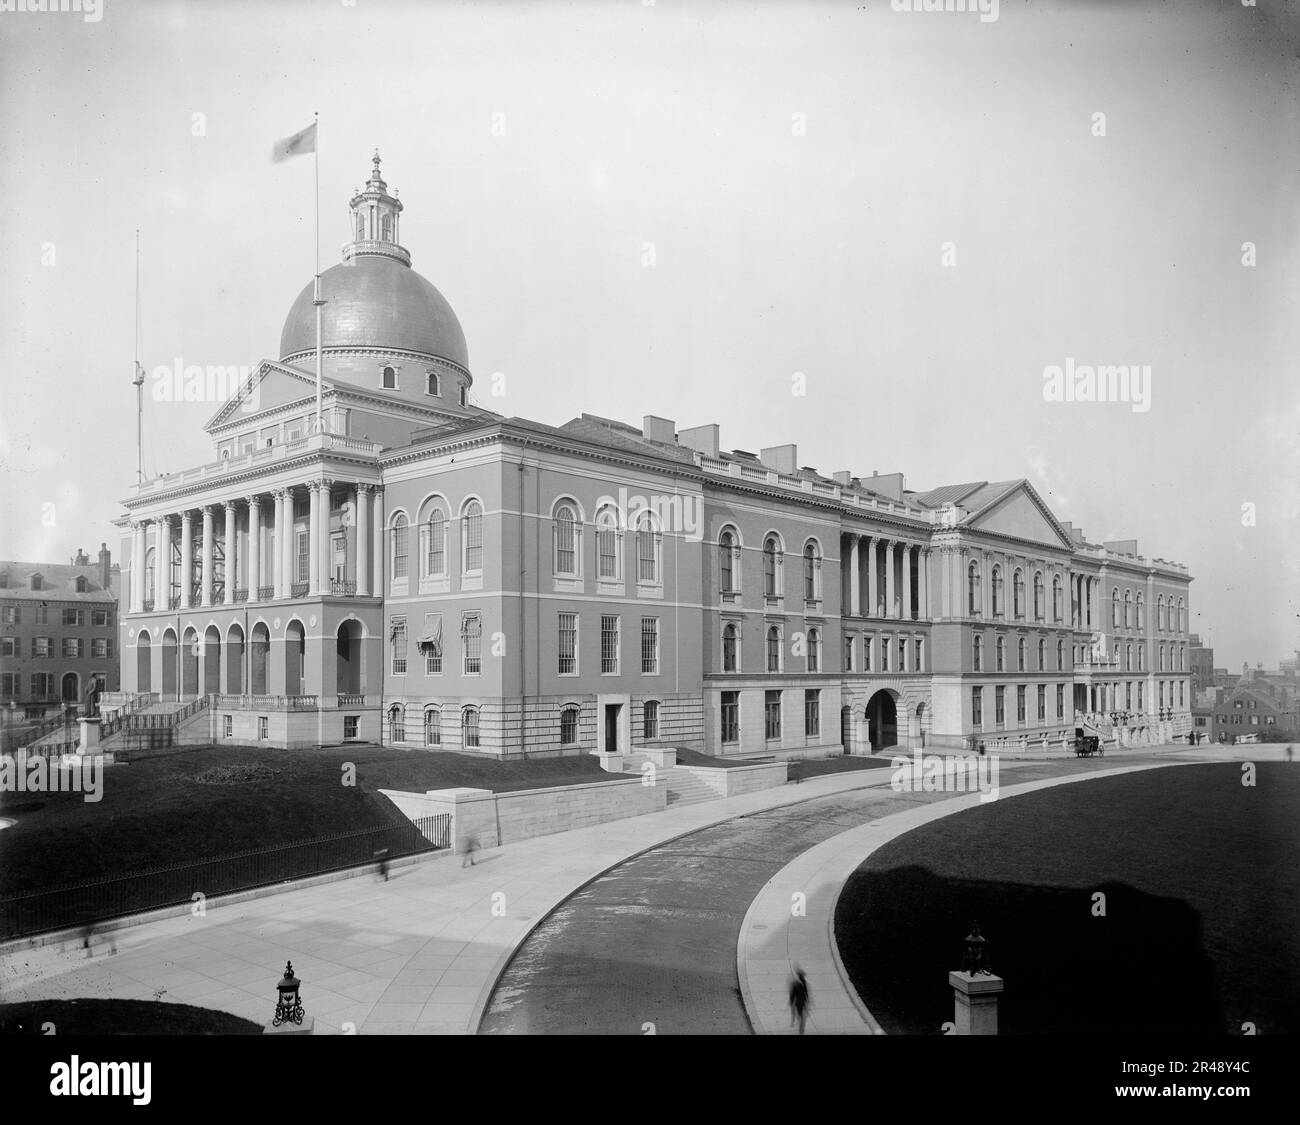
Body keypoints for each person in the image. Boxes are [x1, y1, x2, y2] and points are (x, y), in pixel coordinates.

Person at [788, 967, 811, 1034]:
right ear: (800, 976)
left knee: (803, 1018)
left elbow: (806, 992)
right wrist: (791, 1002)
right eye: (802, 976)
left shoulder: (803, 982)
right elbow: (792, 995)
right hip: (799, 1003)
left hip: (803, 1002)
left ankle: (801, 1031)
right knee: (802, 1018)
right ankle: (801, 1031)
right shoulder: (796, 984)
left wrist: (807, 1000)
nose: (803, 977)